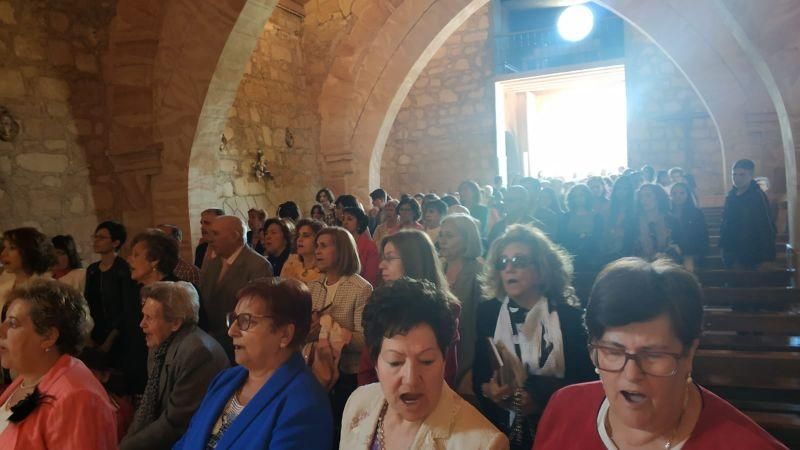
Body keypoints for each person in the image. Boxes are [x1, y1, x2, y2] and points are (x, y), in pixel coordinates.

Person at [533, 258, 788, 450]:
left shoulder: (747, 445)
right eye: (613, 351)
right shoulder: (564, 408)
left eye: (653, 354)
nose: (632, 374)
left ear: (689, 353)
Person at [341, 278, 508, 450]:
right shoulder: (359, 404)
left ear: (444, 359)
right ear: (375, 363)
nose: (411, 379)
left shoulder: (483, 444)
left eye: (426, 361)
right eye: (395, 362)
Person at [474, 224, 595, 450]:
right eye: (503, 262)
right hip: (503, 428)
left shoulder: (569, 318)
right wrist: (489, 390)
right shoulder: (488, 313)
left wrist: (538, 398)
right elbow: (480, 371)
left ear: (541, 270)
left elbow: (585, 380)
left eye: (519, 261)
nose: (509, 268)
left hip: (562, 426)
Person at [174, 278, 332, 449]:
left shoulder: (305, 405)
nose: (231, 331)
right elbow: (186, 442)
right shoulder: (225, 379)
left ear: (285, 334)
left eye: (246, 321)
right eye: (234, 319)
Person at [0, 280, 117, 448]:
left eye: (12, 324)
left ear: (48, 337)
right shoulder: (30, 377)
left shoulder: (76, 397)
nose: (1, 331)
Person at [120, 281, 229, 450]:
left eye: (149, 318)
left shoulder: (198, 353)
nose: (141, 324)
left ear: (176, 323)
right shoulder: (159, 345)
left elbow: (175, 424)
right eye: (143, 316)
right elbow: (147, 408)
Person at [362, 230, 460, 387]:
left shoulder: (445, 310)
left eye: (390, 258)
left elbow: (445, 373)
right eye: (382, 258)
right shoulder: (380, 305)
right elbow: (367, 365)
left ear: (413, 260)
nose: (381, 265)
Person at [308, 227, 372, 442]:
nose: (317, 251)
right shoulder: (313, 286)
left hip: (346, 374)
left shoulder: (360, 288)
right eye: (317, 246)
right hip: (315, 368)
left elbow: (365, 340)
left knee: (341, 432)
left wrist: (332, 328)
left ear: (342, 250)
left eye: (324, 246)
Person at [199, 216, 273, 360]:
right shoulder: (212, 264)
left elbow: (256, 311)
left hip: (237, 345)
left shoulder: (258, 266)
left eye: (216, 234)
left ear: (234, 236)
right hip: (210, 343)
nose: (210, 239)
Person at [84, 221, 142, 394]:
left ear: (115, 242)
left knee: (117, 381)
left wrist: (110, 340)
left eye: (102, 237)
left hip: (120, 335)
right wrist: (88, 334)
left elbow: (126, 308)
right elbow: (88, 302)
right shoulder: (92, 270)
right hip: (96, 332)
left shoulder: (123, 269)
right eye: (95, 237)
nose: (96, 241)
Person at [125, 229, 184, 395]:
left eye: (136, 255)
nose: (129, 260)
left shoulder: (178, 294)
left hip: (167, 381)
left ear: (154, 260)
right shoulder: (134, 291)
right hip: (138, 378)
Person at [439, 213, 485, 391]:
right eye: (441, 235)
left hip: (467, 357)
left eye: (449, 236)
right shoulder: (438, 267)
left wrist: (474, 369)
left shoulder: (478, 272)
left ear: (468, 239)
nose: (442, 240)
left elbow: (484, 327)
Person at [719, 159, 776, 269]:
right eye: (734, 174)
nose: (737, 178)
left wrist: (767, 256)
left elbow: (766, 226)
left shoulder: (757, 196)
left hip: (751, 249)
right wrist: (723, 246)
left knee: (749, 281)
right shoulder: (730, 196)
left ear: (751, 175)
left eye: (742, 174)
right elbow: (725, 223)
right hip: (731, 249)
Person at [0, 228, 55, 306]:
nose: (3, 254)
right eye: (4, 248)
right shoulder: (4, 286)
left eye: (12, 248)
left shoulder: (49, 289)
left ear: (29, 251)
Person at [558, 184, 604, 272]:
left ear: (587, 196)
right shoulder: (566, 217)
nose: (579, 199)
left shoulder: (597, 217)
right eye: (575, 196)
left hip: (590, 258)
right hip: (570, 257)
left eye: (581, 195)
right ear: (571, 198)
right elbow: (561, 238)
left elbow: (599, 237)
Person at [632, 184, 678, 261]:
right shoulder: (634, 221)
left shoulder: (670, 220)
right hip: (639, 265)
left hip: (666, 263)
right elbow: (630, 246)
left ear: (658, 197)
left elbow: (678, 245)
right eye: (641, 196)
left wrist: (665, 255)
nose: (643, 200)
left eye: (648, 196)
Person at [670, 182, 709, 271]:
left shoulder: (696, 213)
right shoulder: (667, 213)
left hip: (692, 252)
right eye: (674, 193)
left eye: (682, 193)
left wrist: (695, 255)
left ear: (688, 194)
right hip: (672, 253)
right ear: (670, 195)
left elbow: (703, 235)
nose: (678, 196)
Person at [342, 207, 379, 286]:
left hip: (361, 288)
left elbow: (370, 279)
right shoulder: (339, 245)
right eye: (343, 219)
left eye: (349, 219)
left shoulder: (370, 246)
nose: (345, 222)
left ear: (359, 223)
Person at [281, 218, 325, 285]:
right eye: (298, 235)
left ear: (319, 240)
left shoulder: (326, 270)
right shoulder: (291, 263)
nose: (299, 239)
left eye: (306, 236)